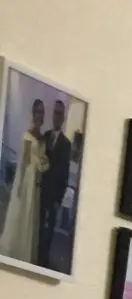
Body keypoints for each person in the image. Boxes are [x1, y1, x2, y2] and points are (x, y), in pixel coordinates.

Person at [0, 98, 46, 266]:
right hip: (27, 179)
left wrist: (42, 166)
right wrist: (19, 186)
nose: (40, 115)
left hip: (37, 182)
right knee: (23, 211)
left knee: (31, 215)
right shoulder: (28, 135)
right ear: (33, 113)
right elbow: (24, 162)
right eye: (38, 111)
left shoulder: (43, 137)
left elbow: (42, 158)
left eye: (42, 112)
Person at [37, 98, 71, 268]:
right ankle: (36, 254)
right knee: (38, 224)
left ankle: (44, 260)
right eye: (55, 113)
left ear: (63, 117)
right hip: (41, 189)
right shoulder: (46, 135)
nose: (56, 116)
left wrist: (59, 198)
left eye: (59, 113)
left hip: (54, 194)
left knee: (50, 228)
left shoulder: (66, 144)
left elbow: (65, 174)